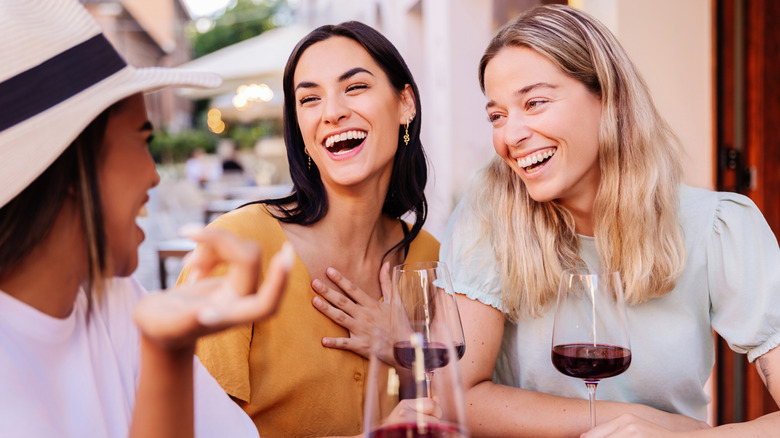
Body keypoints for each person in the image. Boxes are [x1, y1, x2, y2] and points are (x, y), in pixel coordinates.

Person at [439, 4, 780, 437]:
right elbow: (454, 396)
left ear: (609, 99)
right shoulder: (489, 216)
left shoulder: (717, 228)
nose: (510, 135)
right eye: (497, 116)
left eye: (535, 102)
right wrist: (626, 422)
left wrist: (687, 437)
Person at [0, 1, 293, 437]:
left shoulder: (115, 299)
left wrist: (167, 348)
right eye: (143, 140)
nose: (154, 173)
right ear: (72, 167)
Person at [178, 21, 439, 437]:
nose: (332, 111)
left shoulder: (431, 257)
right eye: (310, 98)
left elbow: (449, 407)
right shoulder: (240, 248)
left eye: (355, 88)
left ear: (405, 103)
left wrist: (405, 352)